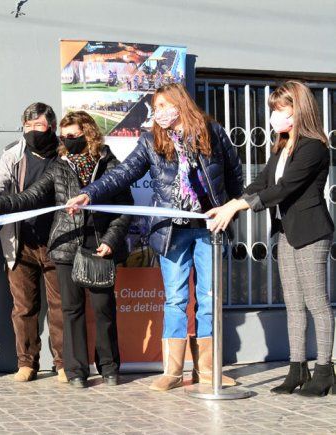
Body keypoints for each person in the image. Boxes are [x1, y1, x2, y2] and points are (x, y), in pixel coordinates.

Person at [66, 83, 244, 391]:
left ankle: (208, 369)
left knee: (208, 298)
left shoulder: (212, 132)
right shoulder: (151, 140)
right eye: (156, 107)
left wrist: (231, 209)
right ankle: (173, 371)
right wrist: (88, 193)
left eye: (164, 105)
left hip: (209, 229)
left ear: (180, 104)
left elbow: (234, 173)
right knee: (175, 298)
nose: (159, 112)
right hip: (171, 232)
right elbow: (123, 174)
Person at [0, 111, 132, 387]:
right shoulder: (59, 168)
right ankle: (75, 371)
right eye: (64, 137)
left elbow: (124, 210)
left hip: (99, 246)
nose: (68, 141)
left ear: (89, 134)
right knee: (70, 310)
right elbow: (32, 195)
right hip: (64, 246)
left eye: (73, 136)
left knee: (104, 309)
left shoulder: (111, 165)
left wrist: (110, 240)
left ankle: (109, 367)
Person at [206, 81, 335, 396]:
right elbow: (263, 182)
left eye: (281, 109)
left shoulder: (314, 147)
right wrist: (230, 203)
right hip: (286, 232)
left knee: (316, 303)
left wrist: (241, 205)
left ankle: (324, 371)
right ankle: (297, 369)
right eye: (274, 109)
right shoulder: (282, 145)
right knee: (292, 304)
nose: (275, 115)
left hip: (310, 232)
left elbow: (284, 189)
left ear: (298, 109)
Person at [0, 103, 65, 383]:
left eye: (39, 126)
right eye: (28, 126)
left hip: (58, 242)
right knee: (23, 307)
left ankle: (62, 362)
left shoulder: (64, 154)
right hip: (20, 242)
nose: (33, 132)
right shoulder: (13, 153)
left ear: (53, 127)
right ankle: (27, 363)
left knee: (60, 306)